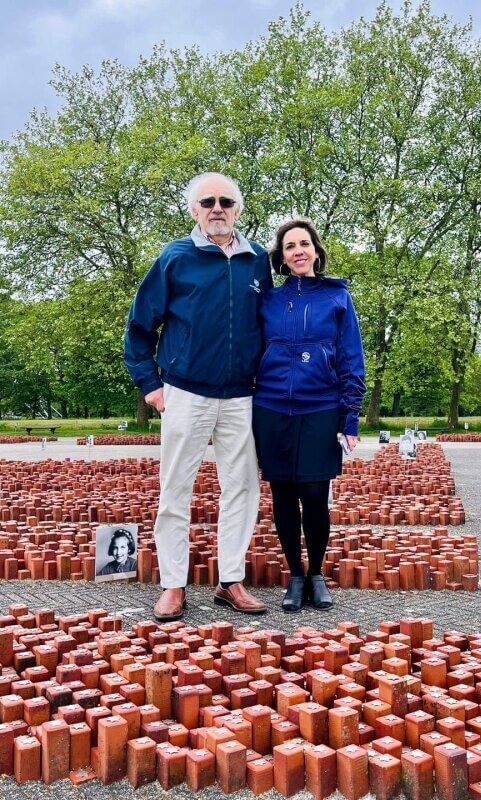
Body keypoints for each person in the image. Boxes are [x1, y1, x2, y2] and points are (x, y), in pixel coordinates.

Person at [124, 172, 272, 621]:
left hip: (241, 395)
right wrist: (149, 383)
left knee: (242, 488)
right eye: (207, 201)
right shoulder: (176, 257)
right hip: (185, 391)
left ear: (239, 209)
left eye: (226, 201)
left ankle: (230, 581)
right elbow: (140, 324)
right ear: (194, 210)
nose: (217, 208)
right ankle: (173, 585)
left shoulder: (257, 261)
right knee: (175, 490)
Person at [252, 218, 366, 612]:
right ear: (281, 257)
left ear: (316, 250)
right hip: (271, 405)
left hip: (321, 405)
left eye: (304, 243)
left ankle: (316, 573)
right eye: (289, 246)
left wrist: (350, 415)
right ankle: (295, 576)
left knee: (315, 495)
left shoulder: (337, 298)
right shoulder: (267, 299)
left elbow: (352, 356)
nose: (297, 251)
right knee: (283, 494)